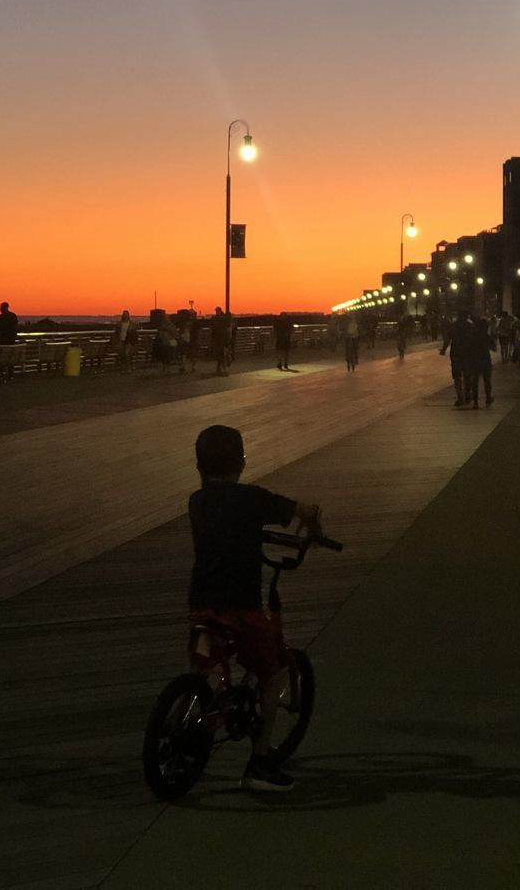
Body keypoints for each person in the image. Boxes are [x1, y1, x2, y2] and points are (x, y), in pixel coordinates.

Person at [188, 424, 324, 791]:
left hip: (201, 605)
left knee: (207, 663)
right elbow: (297, 509)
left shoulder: (196, 502)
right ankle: (259, 764)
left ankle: (195, 707)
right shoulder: (252, 499)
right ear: (243, 462)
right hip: (241, 607)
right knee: (273, 672)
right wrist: (312, 520)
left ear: (199, 466)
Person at [441, 310, 474, 408]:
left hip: (456, 354)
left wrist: (443, 349)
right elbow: (475, 339)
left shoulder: (453, 326)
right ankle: (468, 395)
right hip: (468, 354)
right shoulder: (470, 326)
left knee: (457, 377)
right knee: (468, 376)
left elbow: (447, 339)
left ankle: (460, 397)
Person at [466, 314, 495, 408]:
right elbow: (494, 347)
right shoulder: (487, 336)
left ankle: (475, 402)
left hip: (474, 360)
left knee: (475, 381)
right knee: (487, 381)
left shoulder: (472, 336)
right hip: (485, 360)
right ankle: (488, 398)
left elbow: (468, 348)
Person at [0, 301, 20, 381]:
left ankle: (0, 375)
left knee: (1, 358)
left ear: (3, 308)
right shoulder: (13, 316)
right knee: (10, 358)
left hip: (2, 341)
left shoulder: (0, 318)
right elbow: (16, 327)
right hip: (11, 341)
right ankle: (11, 375)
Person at [210, 307, 230, 376]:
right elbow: (228, 326)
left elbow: (213, 329)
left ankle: (220, 368)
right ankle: (221, 368)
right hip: (220, 339)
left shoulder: (216, 319)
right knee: (221, 355)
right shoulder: (222, 319)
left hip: (219, 339)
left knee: (220, 354)